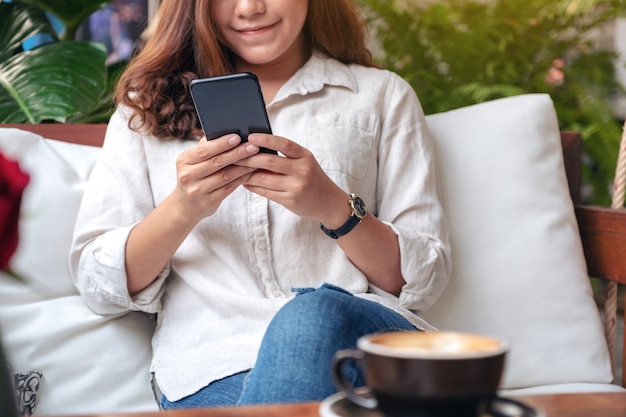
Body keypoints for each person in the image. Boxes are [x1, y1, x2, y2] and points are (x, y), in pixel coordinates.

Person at [69, 0, 451, 410]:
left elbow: (422, 279)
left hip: (362, 348)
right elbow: (99, 283)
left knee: (310, 315)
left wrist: (333, 206)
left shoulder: (380, 96)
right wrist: (183, 207)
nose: (250, 8)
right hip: (212, 369)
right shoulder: (143, 106)